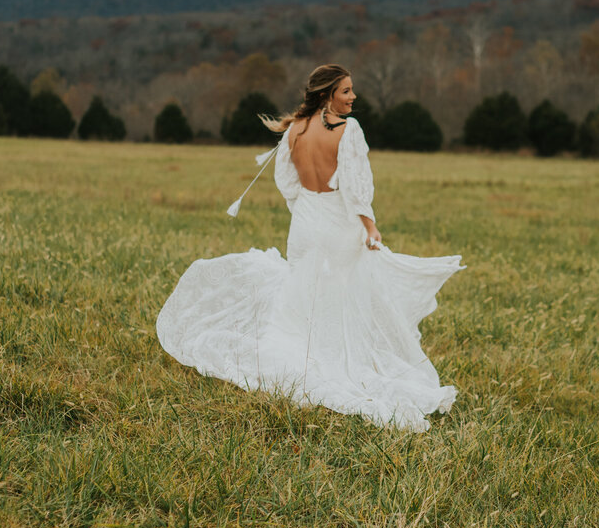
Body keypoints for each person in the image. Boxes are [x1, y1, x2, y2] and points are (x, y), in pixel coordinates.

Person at [156, 64, 463, 431]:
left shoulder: (294, 129)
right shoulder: (349, 130)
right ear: (327, 93)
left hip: (304, 223)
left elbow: (286, 181)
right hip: (337, 225)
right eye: (346, 90)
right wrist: (369, 225)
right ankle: (335, 363)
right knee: (343, 297)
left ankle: (300, 357)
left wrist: (304, 210)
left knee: (306, 292)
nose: (353, 96)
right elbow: (355, 185)